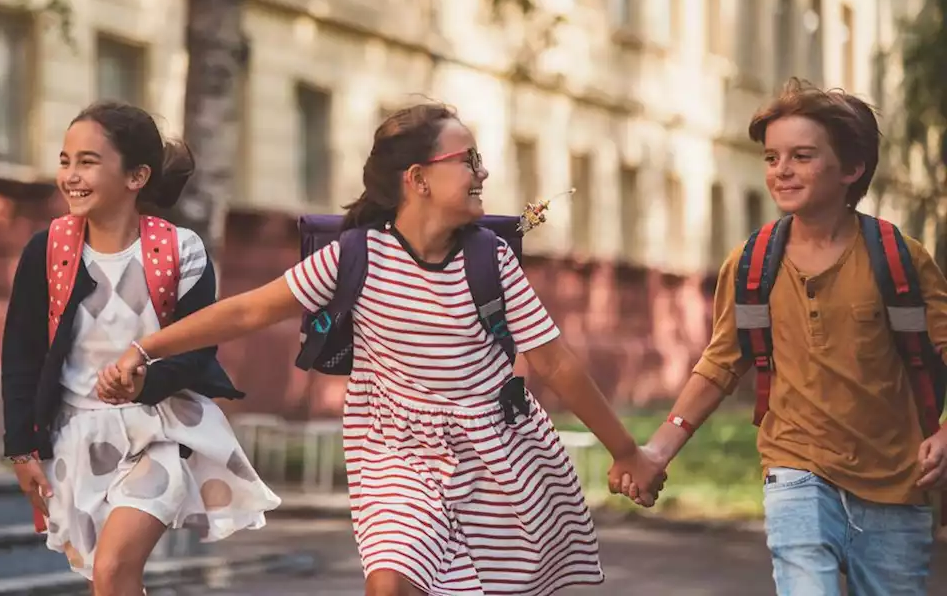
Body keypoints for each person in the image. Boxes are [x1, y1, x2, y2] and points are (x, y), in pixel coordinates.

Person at [97, 103, 667, 596]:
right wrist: (145, 350)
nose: (481, 170)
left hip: (497, 459)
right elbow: (248, 310)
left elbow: (555, 363)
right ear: (418, 179)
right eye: (467, 159)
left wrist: (627, 452)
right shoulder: (355, 257)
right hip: (397, 452)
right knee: (390, 580)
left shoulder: (489, 258)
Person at [617, 79, 947, 595]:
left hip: (895, 481)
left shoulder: (899, 260)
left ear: (851, 168)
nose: (782, 170)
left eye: (802, 156)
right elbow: (722, 362)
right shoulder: (752, 263)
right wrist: (659, 451)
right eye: (772, 158)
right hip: (795, 470)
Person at [0, 102, 280, 596]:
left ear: (137, 176)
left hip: (162, 431)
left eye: (88, 161)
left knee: (112, 569)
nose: (71, 175)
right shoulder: (46, 250)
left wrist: (145, 379)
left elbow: (198, 349)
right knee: (110, 582)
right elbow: (20, 354)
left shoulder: (182, 250)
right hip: (76, 436)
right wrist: (22, 448)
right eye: (65, 161)